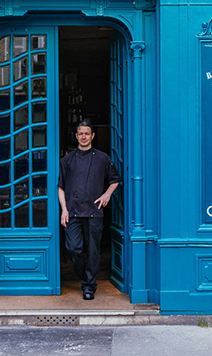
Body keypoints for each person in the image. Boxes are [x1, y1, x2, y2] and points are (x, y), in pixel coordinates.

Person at [58, 119, 120, 300]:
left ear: (92, 136)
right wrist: (64, 209)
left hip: (95, 211)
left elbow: (115, 179)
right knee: (74, 248)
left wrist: (107, 194)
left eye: (87, 133)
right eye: (80, 134)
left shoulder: (102, 158)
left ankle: (89, 286)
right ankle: (85, 274)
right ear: (76, 136)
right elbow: (60, 186)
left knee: (93, 250)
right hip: (73, 211)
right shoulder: (67, 160)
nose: (84, 136)